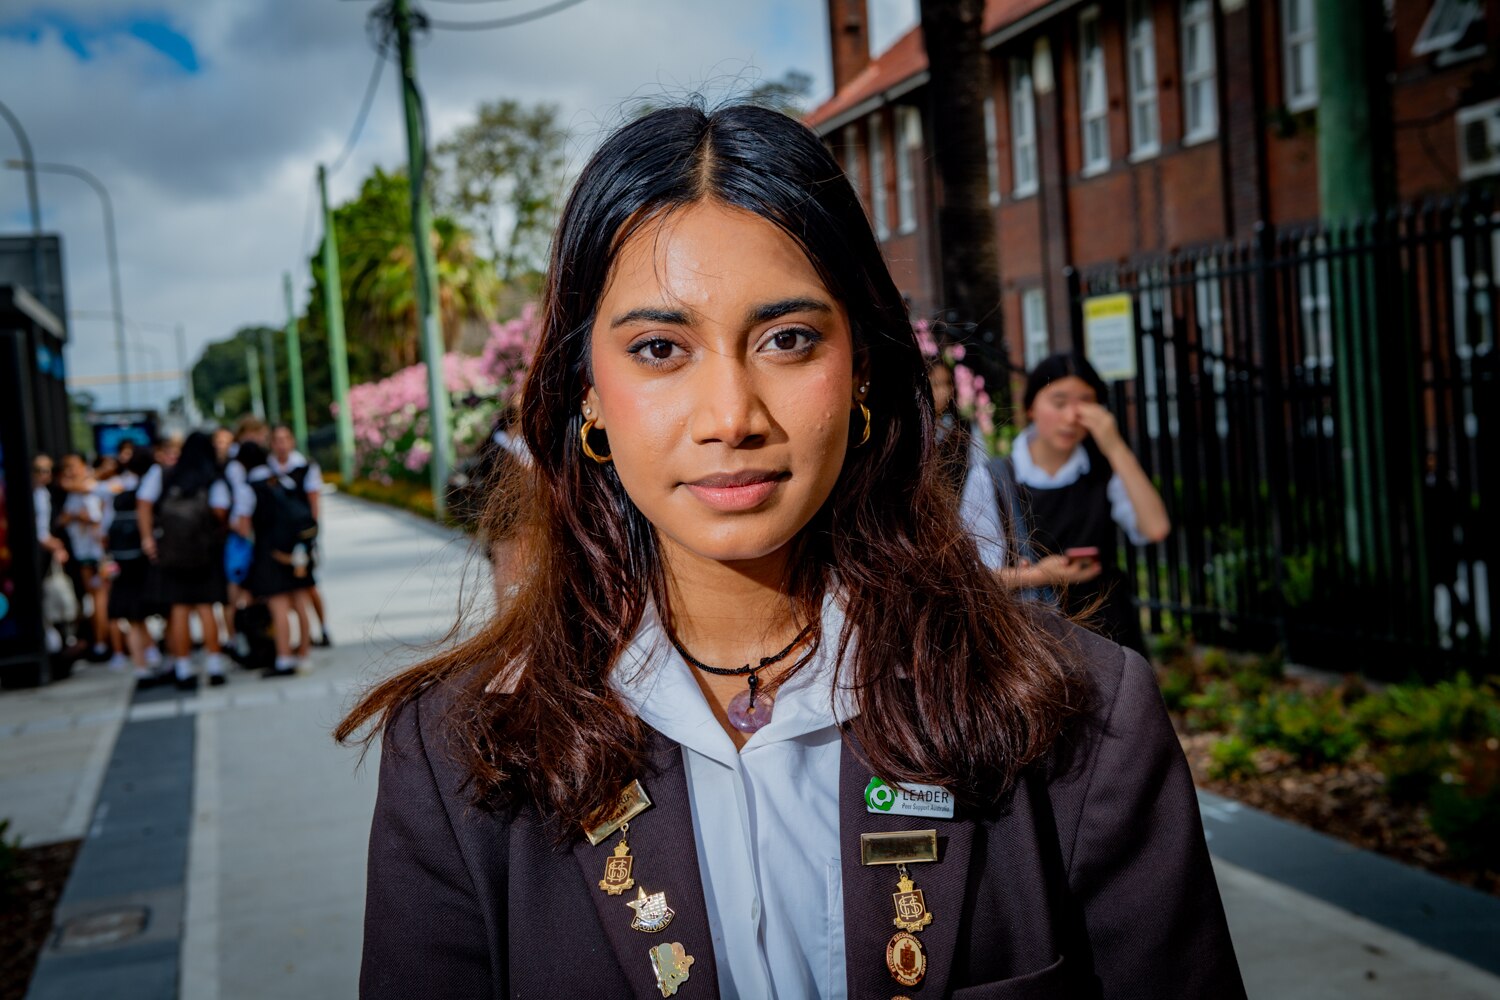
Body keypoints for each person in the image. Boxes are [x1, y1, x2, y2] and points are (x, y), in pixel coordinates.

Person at [338, 105, 1242, 998]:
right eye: (660, 348)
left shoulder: (1082, 721)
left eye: (788, 340)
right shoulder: (462, 760)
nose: (732, 416)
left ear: (862, 374)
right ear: (588, 398)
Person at [990, 353, 1171, 656]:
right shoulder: (997, 477)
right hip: (1035, 642)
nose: (1072, 416)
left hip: (1109, 634)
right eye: (1059, 402)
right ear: (1031, 407)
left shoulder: (1102, 468)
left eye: (1086, 403)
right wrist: (1041, 575)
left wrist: (1113, 445)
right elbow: (973, 577)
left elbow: (1155, 528)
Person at [138, 431, 232, 689]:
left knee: (178, 610)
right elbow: (221, 512)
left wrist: (148, 538)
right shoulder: (213, 477)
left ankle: (183, 667)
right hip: (205, 552)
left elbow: (143, 503)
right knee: (206, 608)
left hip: (172, 552)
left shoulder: (164, 474)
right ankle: (214, 664)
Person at [232, 441, 317, 677]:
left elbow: (243, 528)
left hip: (268, 553)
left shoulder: (248, 488)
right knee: (301, 603)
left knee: (279, 607)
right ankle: (304, 655)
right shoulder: (281, 479)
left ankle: (283, 659)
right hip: (296, 551)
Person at [267, 424, 331, 647]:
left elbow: (314, 501)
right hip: (279, 538)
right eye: (277, 439)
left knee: (308, 585)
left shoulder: (305, 466)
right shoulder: (267, 470)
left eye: (285, 438)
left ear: (292, 441)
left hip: (302, 536)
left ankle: (323, 628)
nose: (281, 444)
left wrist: (311, 535)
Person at [56, 453, 112, 662]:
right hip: (83, 553)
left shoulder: (91, 486)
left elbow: (95, 518)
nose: (69, 472)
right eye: (66, 467)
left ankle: (103, 643)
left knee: (101, 598)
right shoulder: (79, 488)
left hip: (97, 552)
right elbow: (63, 517)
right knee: (94, 598)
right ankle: (99, 642)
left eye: (73, 466)